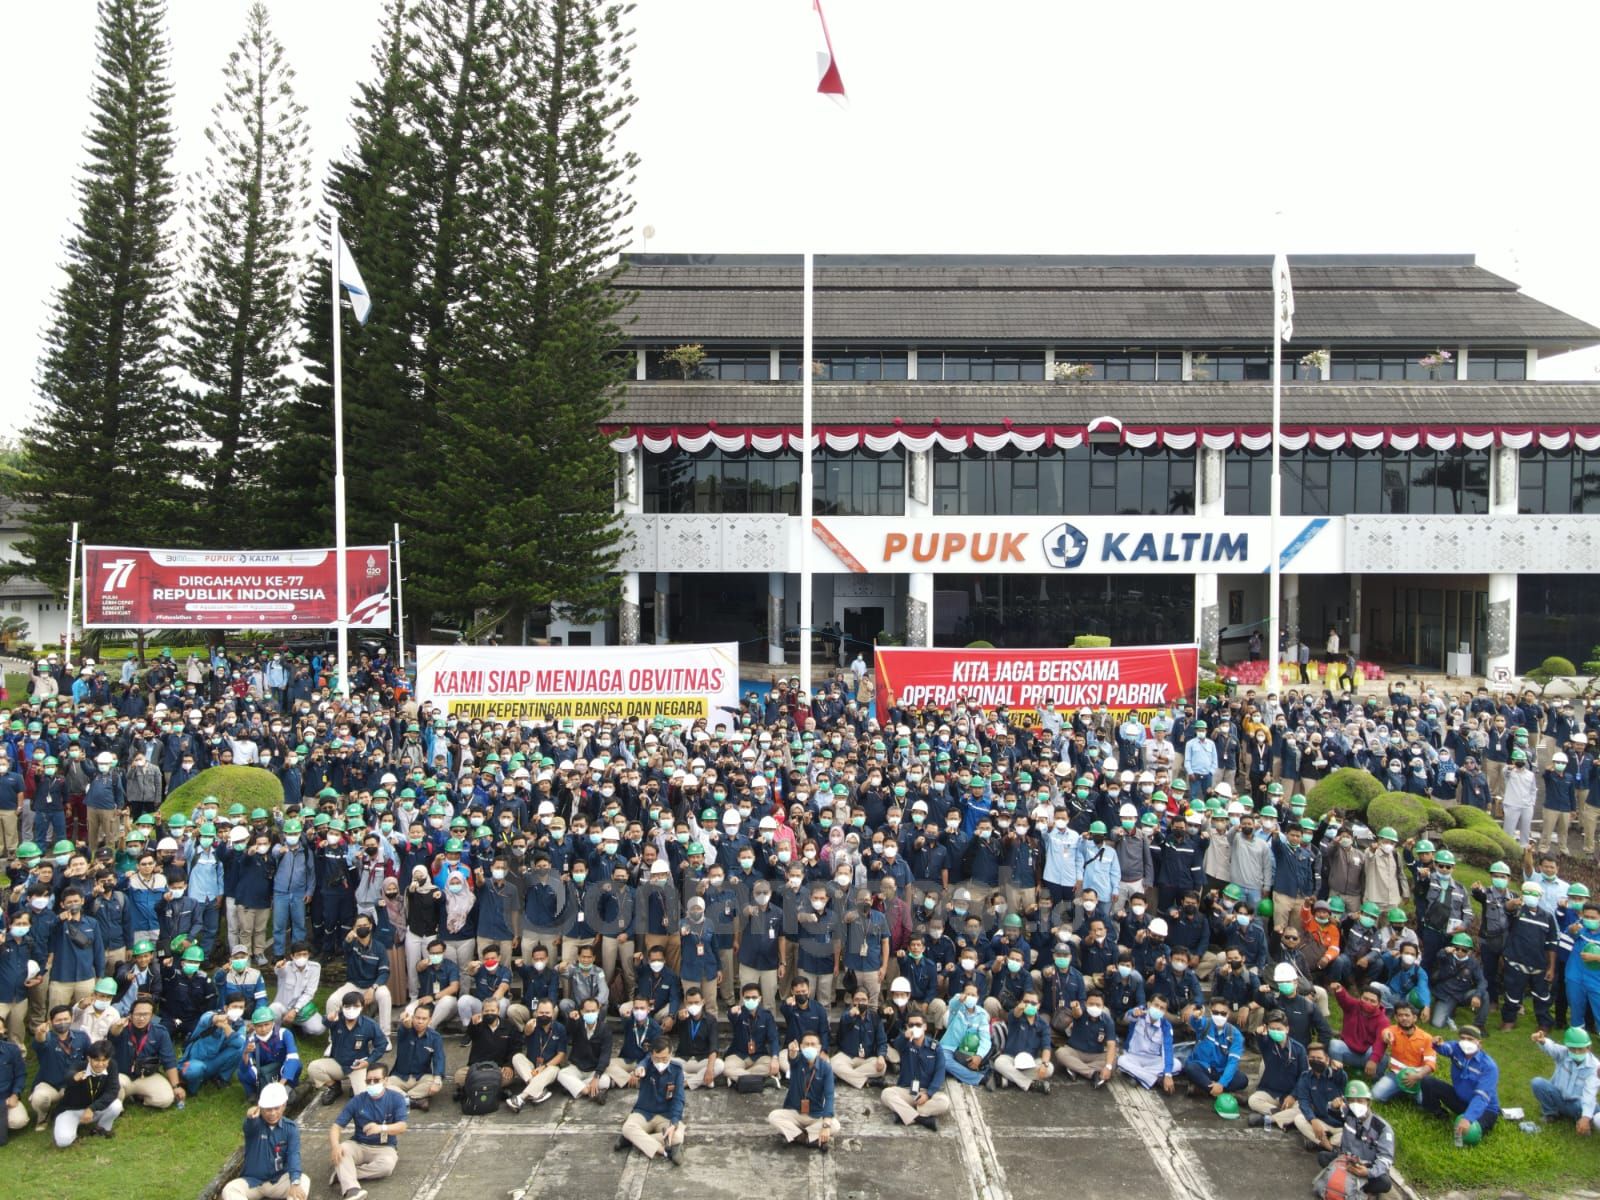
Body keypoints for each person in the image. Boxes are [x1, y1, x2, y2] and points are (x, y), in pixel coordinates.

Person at [330, 1063, 408, 1200]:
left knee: (387, 1166)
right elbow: (336, 1126)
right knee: (342, 1150)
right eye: (368, 1081)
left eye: (376, 1080)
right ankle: (352, 1190)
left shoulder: (396, 1099)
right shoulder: (357, 1100)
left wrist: (381, 1128)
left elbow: (402, 1127)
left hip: (385, 1147)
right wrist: (335, 1145)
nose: (372, 1083)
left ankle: (343, 1174)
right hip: (359, 1144)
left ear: (386, 1080)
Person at [223, 1081, 310, 1200]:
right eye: (268, 1109)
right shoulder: (255, 1124)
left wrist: (295, 1181)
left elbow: (294, 1155)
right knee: (230, 1189)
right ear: (261, 1108)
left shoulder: (290, 1129)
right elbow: (249, 1125)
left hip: (279, 1181)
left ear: (284, 1105)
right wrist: (250, 1116)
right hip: (253, 1182)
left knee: (303, 1181)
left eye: (276, 1108)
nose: (272, 1113)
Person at [1418, 1025, 1500, 1143]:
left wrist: (1468, 1118)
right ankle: (1436, 1112)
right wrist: (1436, 1043)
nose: (1465, 1042)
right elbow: (1445, 1048)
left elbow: (1482, 1096)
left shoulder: (1489, 1067)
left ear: (1479, 1043)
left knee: (1470, 1134)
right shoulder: (1456, 1048)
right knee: (1428, 1082)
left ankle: (1474, 1120)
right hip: (1461, 1099)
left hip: (1485, 1108)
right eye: (1463, 1038)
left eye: (1470, 1039)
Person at [1317, 1080, 1396, 1196]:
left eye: (1360, 1100)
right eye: (1352, 1101)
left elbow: (1385, 1159)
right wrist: (1332, 1105)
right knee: (1322, 1157)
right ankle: (1351, 1184)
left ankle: (1359, 1187)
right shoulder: (1349, 1113)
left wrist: (1368, 1172)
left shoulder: (1382, 1129)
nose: (1355, 1104)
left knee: (1384, 1183)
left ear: (1368, 1102)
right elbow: (1331, 1110)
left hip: (1366, 1166)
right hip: (1347, 1161)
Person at [617, 1036, 686, 1165]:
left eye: (664, 1059)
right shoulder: (646, 1065)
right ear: (652, 1055)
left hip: (666, 1115)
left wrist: (674, 1123)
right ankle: (664, 1151)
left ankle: (634, 1140)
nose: (660, 1062)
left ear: (671, 1054)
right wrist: (639, 1069)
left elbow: (679, 1098)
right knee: (627, 1128)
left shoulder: (677, 1070)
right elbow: (642, 1064)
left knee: (678, 1135)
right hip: (644, 1113)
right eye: (657, 1058)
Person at [309, 997, 390, 1106]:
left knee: (363, 1100)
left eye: (356, 1006)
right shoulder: (336, 1020)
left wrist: (369, 1061)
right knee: (314, 1067)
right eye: (347, 1006)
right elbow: (325, 1022)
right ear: (342, 1007)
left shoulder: (369, 1024)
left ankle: (355, 1085)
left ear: (362, 1007)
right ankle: (334, 1087)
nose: (351, 1009)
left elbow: (382, 1044)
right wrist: (328, 1018)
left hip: (358, 1066)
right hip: (338, 1064)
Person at [767, 1030, 838, 1151]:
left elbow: (829, 1096)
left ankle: (795, 1136)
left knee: (835, 1126)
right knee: (773, 1116)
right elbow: (792, 1058)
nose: (810, 1047)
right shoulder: (797, 1061)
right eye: (806, 1044)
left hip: (815, 1115)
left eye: (813, 1044)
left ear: (819, 1047)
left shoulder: (826, 1068)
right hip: (795, 1113)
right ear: (801, 1046)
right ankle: (808, 1139)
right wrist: (792, 1052)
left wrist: (826, 1125)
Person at [883, 1012, 950, 1131]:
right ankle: (921, 1119)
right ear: (907, 1027)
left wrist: (928, 1094)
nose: (915, 1027)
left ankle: (904, 1113)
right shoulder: (905, 1043)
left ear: (925, 1026)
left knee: (944, 1102)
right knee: (886, 1094)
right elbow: (897, 1045)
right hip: (907, 1090)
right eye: (911, 1025)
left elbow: (940, 1073)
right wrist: (905, 1036)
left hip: (927, 1092)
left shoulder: (935, 1047)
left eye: (918, 1024)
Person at [51, 1037, 122, 1147]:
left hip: (93, 1110)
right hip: (72, 1110)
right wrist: (74, 1078)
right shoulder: (79, 1066)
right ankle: (73, 1132)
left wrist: (91, 1109)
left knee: (116, 1105)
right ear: (89, 1059)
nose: (100, 1064)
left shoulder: (112, 1065)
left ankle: (101, 1129)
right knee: (63, 1142)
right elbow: (68, 1076)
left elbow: (113, 1091)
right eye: (97, 1060)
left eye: (104, 1060)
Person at [1529, 1027, 1597, 1133]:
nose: (1577, 1052)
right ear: (1567, 1047)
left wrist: (1586, 1117)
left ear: (1588, 1048)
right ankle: (1551, 1114)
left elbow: (1590, 1094)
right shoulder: (1564, 1053)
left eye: (1581, 1049)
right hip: (1558, 1096)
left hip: (1576, 1104)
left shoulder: (1595, 1067)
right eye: (1573, 1049)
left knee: (1588, 1108)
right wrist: (1543, 1041)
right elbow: (1552, 1047)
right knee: (1537, 1083)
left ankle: (1581, 1121)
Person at [389, 1003, 446, 1111]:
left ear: (430, 1020)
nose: (420, 1021)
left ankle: (400, 1099)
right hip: (400, 1076)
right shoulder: (404, 1031)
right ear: (413, 1017)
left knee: (435, 1083)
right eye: (417, 1018)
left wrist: (438, 1079)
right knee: (383, 1084)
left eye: (424, 1019)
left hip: (421, 1077)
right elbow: (404, 1028)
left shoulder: (435, 1037)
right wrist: (405, 1023)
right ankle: (415, 1100)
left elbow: (439, 1058)